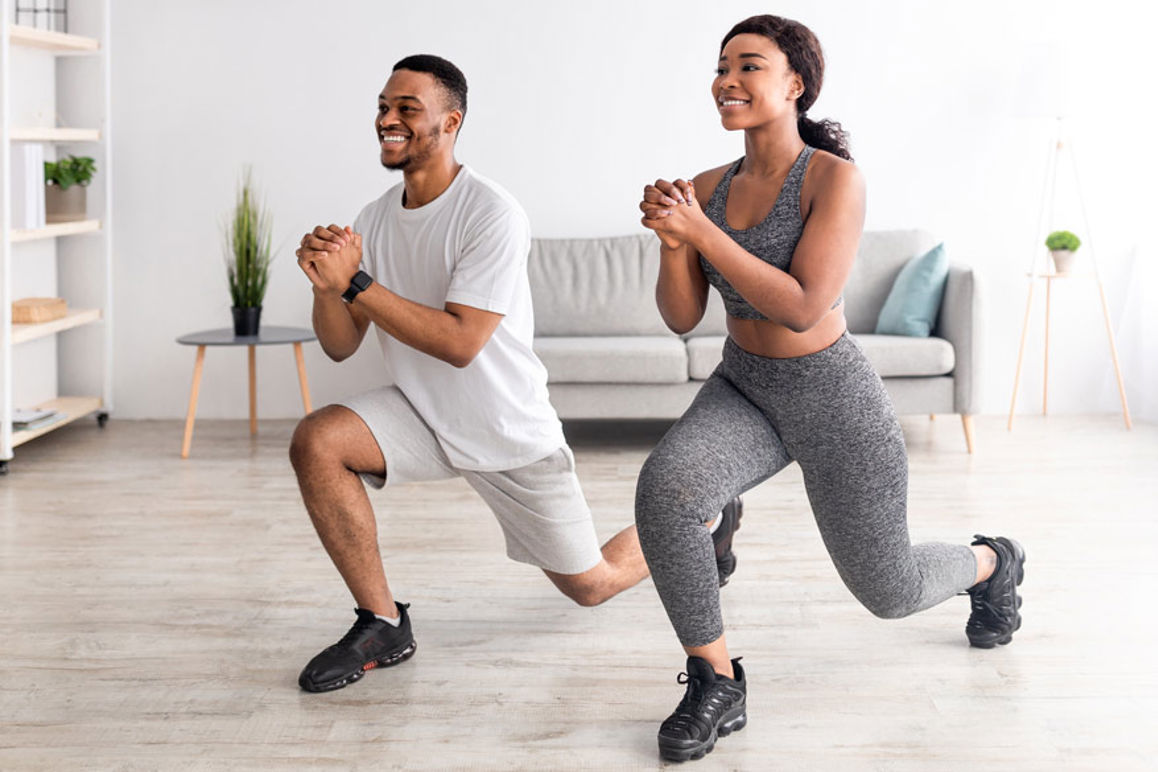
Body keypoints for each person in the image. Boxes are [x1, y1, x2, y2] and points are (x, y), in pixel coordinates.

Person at [633, 16, 1026, 762]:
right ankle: (715, 680)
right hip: (744, 385)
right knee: (666, 491)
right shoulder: (708, 188)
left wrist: (703, 234)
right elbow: (682, 317)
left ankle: (991, 562)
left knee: (890, 590)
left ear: (795, 84)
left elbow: (804, 303)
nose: (727, 79)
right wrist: (674, 240)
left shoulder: (834, 178)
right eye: (722, 66)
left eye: (749, 65)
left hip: (830, 397)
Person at [289, 54, 740, 694]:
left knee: (591, 586)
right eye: (383, 107)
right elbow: (340, 346)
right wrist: (324, 286)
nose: (387, 120)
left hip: (503, 426)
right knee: (318, 440)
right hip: (421, 412)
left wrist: (355, 282)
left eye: (405, 109)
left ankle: (709, 526)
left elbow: (462, 342)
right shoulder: (374, 217)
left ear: (451, 122)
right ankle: (383, 623)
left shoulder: (491, 213)